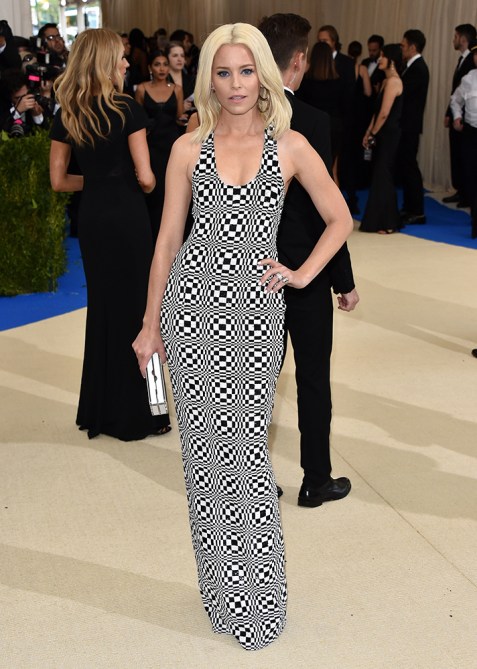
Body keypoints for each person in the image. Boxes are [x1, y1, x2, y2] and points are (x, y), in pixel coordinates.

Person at [132, 22, 353, 649]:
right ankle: (220, 592)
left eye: (246, 71)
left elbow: (340, 217)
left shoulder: (290, 145)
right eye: (223, 72)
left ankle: (259, 599)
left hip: (256, 315)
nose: (235, 84)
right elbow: (167, 241)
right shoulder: (186, 148)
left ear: (264, 75)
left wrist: (301, 274)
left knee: (247, 459)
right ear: (209, 78)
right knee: (204, 459)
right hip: (191, 311)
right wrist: (149, 324)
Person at [49, 28, 171, 440]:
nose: (126, 63)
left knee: (103, 309)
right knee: (143, 311)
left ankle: (99, 410)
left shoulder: (67, 113)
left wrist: (98, 181)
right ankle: (152, 411)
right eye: (120, 56)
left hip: (94, 220)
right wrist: (133, 182)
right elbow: (147, 178)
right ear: (104, 61)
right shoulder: (127, 109)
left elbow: (59, 181)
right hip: (128, 218)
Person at [258, 12, 358, 507]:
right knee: (313, 377)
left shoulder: (232, 118)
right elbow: (328, 211)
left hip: (250, 272)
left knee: (252, 383)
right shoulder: (313, 121)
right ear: (299, 60)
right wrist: (344, 279)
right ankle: (316, 480)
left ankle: (250, 480)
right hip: (306, 271)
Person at [136, 50, 186, 240]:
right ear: (150, 67)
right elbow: (137, 122)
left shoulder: (177, 89)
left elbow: (179, 117)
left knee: (173, 190)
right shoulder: (141, 89)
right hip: (150, 147)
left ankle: (173, 235)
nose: (162, 68)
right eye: (157, 64)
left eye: (165, 64)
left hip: (172, 145)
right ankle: (153, 235)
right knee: (154, 191)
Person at [360, 44, 403, 234]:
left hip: (389, 134)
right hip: (381, 133)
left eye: (383, 56)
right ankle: (385, 221)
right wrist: (368, 132)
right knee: (380, 175)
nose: (379, 59)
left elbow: (385, 114)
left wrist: (373, 133)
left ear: (391, 60)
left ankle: (388, 222)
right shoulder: (386, 81)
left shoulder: (394, 82)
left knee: (383, 175)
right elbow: (377, 112)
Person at [297, 41, 347, 183]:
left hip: (311, 129)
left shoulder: (305, 81)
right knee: (332, 171)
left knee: (309, 172)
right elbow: (344, 108)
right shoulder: (339, 82)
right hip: (334, 128)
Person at [397, 29, 429, 225]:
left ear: (412, 47)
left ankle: (417, 211)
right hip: (406, 125)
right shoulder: (411, 67)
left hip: (409, 126)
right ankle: (410, 207)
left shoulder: (418, 68)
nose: (401, 49)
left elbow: (405, 95)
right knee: (406, 166)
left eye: (403, 45)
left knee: (410, 167)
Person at [443, 23, 476, 207]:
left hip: (468, 121)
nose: (453, 40)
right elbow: (456, 94)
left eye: (455, 36)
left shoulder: (470, 60)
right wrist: (451, 113)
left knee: (466, 158)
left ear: (463, 39)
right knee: (460, 156)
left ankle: (466, 193)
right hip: (460, 118)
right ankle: (462, 191)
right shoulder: (464, 62)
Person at [450, 38, 477, 238]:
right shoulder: (469, 78)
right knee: (471, 176)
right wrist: (457, 116)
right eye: (475, 54)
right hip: (471, 133)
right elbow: (455, 100)